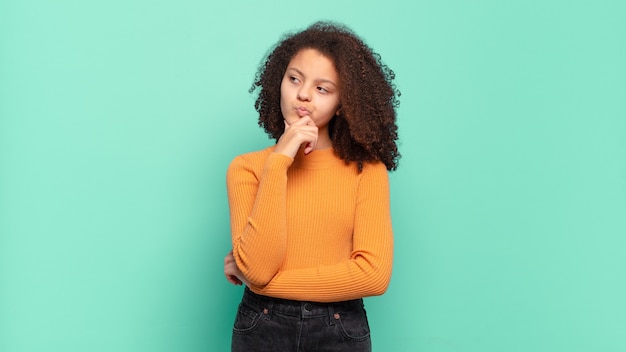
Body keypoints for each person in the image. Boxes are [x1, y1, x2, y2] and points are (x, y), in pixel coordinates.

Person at [223, 21, 400, 351]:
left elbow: (374, 275)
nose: (303, 94)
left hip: (339, 328)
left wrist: (263, 283)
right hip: (262, 324)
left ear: (342, 103)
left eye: (323, 88)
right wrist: (279, 161)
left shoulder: (367, 170)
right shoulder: (247, 168)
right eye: (294, 79)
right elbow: (257, 267)